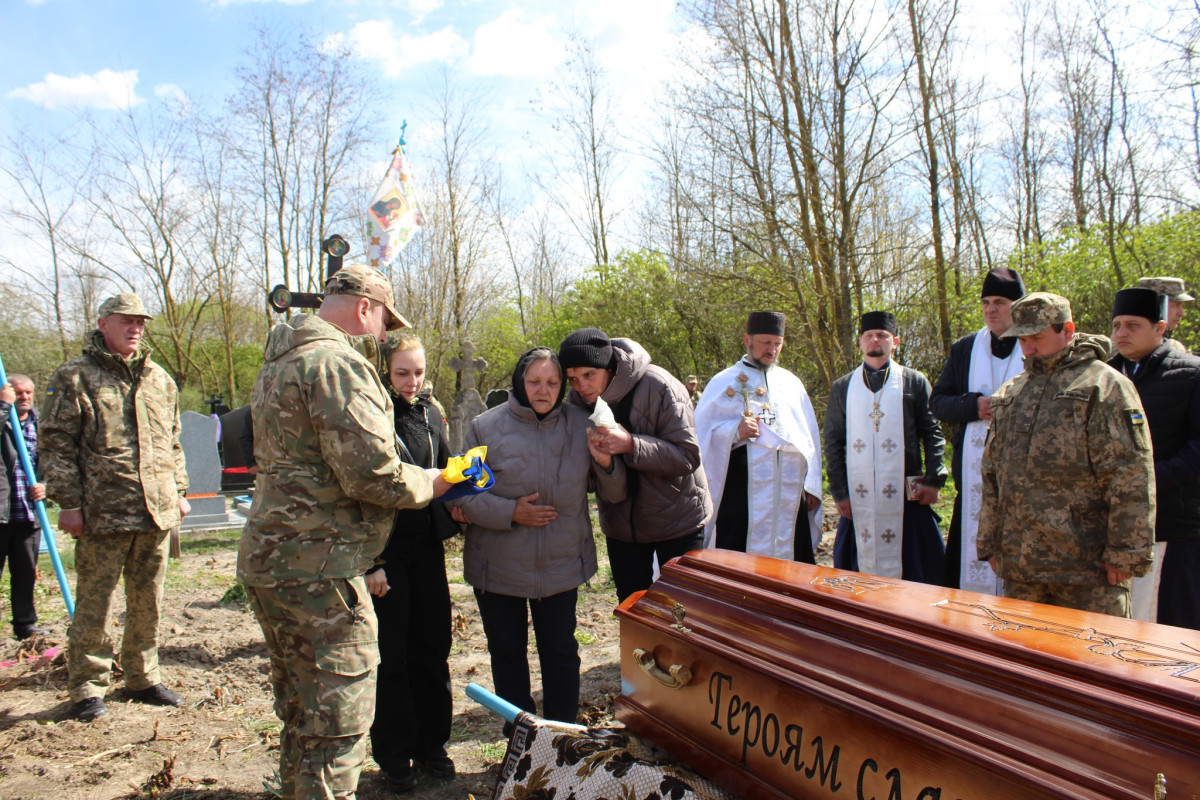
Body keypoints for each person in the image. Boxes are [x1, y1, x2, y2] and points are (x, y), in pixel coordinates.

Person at [238, 264, 449, 800]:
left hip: (274, 559)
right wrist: (436, 480)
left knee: (304, 721)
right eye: (382, 323)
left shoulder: (281, 359)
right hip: (321, 570)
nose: (383, 338)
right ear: (363, 308)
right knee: (336, 729)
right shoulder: (336, 363)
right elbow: (373, 475)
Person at [40, 293, 191, 722]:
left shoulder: (159, 378)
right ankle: (88, 686)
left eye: (141, 322)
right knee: (96, 603)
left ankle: (143, 677)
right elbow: (55, 444)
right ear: (103, 323)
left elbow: (173, 440)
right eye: (126, 321)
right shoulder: (75, 376)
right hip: (102, 513)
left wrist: (179, 490)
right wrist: (69, 503)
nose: (135, 328)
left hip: (155, 511)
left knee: (149, 600)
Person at [455, 348, 625, 726]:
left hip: (561, 562)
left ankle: (564, 736)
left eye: (552, 383)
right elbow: (462, 494)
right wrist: (511, 511)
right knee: (507, 653)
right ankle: (521, 740)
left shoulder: (581, 424)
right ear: (520, 382)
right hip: (498, 564)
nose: (544, 390)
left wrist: (606, 462)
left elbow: (613, 493)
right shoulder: (485, 428)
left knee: (561, 652)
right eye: (535, 382)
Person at [978, 292, 1155, 616]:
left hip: (1087, 571)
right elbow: (992, 473)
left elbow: (1130, 474)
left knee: (1092, 663)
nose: (1028, 348)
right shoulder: (1012, 391)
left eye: (1037, 338)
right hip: (1021, 568)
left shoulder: (1104, 386)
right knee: (1023, 664)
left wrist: (1126, 552)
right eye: (1022, 339)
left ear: (1068, 330)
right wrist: (990, 541)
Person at [365, 333, 458, 793]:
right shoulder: (371, 413)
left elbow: (442, 469)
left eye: (419, 372)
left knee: (433, 646)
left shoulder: (430, 411)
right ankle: (395, 752)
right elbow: (364, 489)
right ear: (385, 371)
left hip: (427, 548)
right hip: (387, 551)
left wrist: (464, 483)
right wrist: (372, 561)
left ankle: (432, 744)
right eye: (402, 372)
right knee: (393, 656)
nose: (412, 381)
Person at [558, 328, 712, 603]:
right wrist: (600, 465)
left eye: (589, 375)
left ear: (607, 365)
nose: (582, 387)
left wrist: (630, 444)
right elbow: (587, 475)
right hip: (621, 526)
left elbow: (687, 456)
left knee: (682, 610)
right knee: (633, 611)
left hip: (678, 520)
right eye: (573, 380)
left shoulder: (660, 385)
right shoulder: (577, 401)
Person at [824, 311, 947, 584]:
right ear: (860, 342)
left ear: (896, 341)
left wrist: (934, 479)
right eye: (868, 336)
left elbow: (932, 433)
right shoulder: (843, 387)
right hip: (859, 496)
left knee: (918, 570)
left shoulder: (913, 381)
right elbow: (833, 442)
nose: (875, 340)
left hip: (905, 495)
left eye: (882, 335)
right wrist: (840, 491)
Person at [694, 312, 823, 562]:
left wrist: (813, 485)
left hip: (787, 494)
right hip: (741, 492)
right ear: (747, 340)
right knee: (738, 559)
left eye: (777, 343)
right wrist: (734, 432)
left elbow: (809, 440)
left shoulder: (791, 384)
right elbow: (701, 436)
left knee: (792, 560)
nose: (772, 349)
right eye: (765, 342)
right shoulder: (723, 382)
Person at [1108, 287, 1200, 629]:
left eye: (1132, 325)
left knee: (1171, 628)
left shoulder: (1190, 374)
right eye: (1117, 325)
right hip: (1115, 527)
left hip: (1173, 525)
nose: (1121, 333)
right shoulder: (1104, 376)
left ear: (1160, 329)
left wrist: (1146, 481)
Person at [930, 267, 1026, 592]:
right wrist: (973, 406)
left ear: (1018, 305)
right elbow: (938, 401)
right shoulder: (965, 348)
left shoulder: (1033, 345)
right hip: (973, 482)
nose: (990, 309)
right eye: (985, 302)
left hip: (1023, 488)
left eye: (999, 301)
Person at [1, 375, 48, 640]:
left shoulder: (40, 424)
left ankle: (25, 624)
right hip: (1, 512)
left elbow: (51, 462)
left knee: (25, 571)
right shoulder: (2, 416)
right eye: (18, 393)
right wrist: (2, 407)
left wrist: (45, 486)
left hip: (28, 512)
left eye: (29, 392)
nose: (25, 397)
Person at [1138, 276, 1193, 351]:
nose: (1182, 313)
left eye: (1181, 306)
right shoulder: (1123, 348)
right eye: (1175, 305)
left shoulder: (1175, 347)